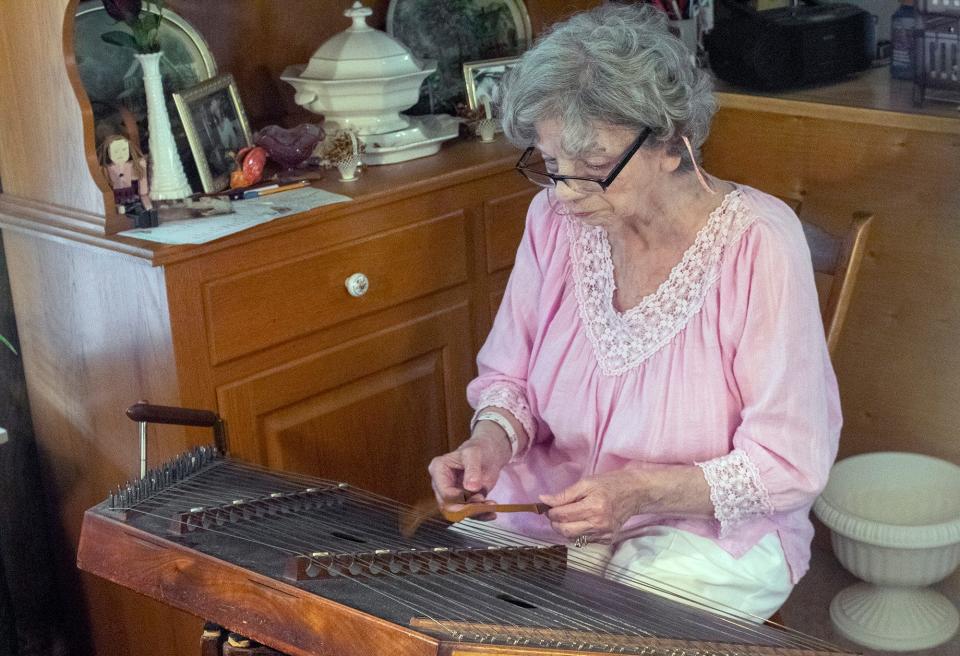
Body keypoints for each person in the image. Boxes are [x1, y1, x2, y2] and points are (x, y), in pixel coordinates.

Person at [428, 4, 841, 622]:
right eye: (550, 166)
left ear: (673, 145)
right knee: (466, 608)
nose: (566, 193)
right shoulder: (553, 221)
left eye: (595, 170)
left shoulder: (758, 242)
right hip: (554, 503)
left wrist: (639, 491)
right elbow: (510, 377)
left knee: (616, 621)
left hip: (704, 527)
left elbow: (789, 459)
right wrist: (489, 443)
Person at [98, 134, 156, 228]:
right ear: (108, 153)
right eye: (115, 151)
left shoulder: (137, 165)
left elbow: (143, 190)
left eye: (124, 150)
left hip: (135, 201)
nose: (120, 154)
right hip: (117, 203)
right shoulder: (105, 170)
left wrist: (147, 204)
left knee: (143, 215)